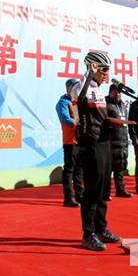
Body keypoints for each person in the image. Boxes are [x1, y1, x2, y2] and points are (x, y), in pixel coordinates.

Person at [71, 51, 121, 251]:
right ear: (94, 67)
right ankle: (88, 234)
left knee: (103, 190)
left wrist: (116, 122)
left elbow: (100, 119)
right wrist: (89, 73)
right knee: (92, 190)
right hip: (89, 144)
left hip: (104, 142)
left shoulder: (99, 90)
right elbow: (79, 96)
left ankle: (101, 228)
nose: (107, 74)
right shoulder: (80, 87)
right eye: (104, 70)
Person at [55, 78, 84, 207]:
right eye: (73, 87)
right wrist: (79, 122)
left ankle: (80, 195)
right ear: (68, 88)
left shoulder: (77, 102)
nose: (75, 90)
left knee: (79, 169)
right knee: (69, 169)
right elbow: (66, 119)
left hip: (80, 140)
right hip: (70, 140)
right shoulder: (63, 102)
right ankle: (68, 197)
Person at [105, 85, 133, 199]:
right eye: (115, 92)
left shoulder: (122, 105)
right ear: (110, 92)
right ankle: (105, 193)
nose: (117, 94)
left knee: (120, 169)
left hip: (122, 142)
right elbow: (104, 122)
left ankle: (120, 190)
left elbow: (125, 123)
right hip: (110, 143)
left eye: (119, 93)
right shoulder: (106, 104)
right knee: (107, 171)